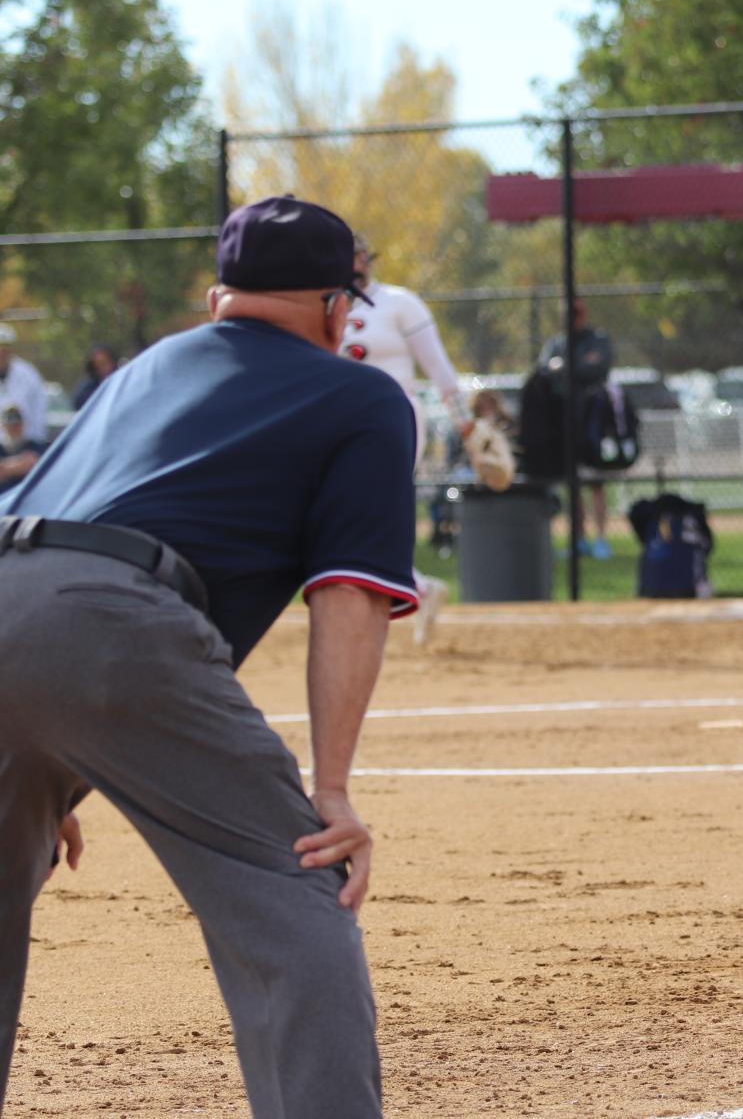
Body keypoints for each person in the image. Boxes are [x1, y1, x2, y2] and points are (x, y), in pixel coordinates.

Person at [0, 195, 418, 1117]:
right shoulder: (359, 394)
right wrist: (334, 791)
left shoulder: (143, 371)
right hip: (107, 626)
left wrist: (45, 760)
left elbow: (42, 534)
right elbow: (348, 593)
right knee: (299, 889)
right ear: (333, 305)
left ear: (218, 294)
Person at [343, 232, 473, 644]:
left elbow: (437, 366)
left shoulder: (399, 302)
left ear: (369, 259)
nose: (353, 264)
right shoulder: (323, 305)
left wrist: (464, 419)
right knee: (352, 514)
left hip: (394, 418)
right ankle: (418, 586)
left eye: (358, 255)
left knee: (371, 509)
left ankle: (409, 587)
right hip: (342, 422)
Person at [539, 300, 616, 558]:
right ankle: (579, 539)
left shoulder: (597, 338)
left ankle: (601, 539)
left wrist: (567, 367)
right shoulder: (557, 343)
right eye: (568, 315)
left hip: (593, 422)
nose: (572, 319)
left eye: (576, 314)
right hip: (565, 421)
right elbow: (544, 369)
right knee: (572, 486)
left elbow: (599, 367)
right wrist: (575, 366)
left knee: (595, 483)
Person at [0, 325, 47, 445]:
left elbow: (38, 411)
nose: (1, 353)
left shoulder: (28, 375)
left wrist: (35, 444)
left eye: (5, 348)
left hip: (25, 446)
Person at [0, 406, 44, 491]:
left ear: (23, 424)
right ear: (2, 425)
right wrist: (19, 463)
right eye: (10, 425)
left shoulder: (34, 446)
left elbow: (34, 465)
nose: (14, 428)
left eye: (17, 424)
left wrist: (6, 467)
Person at [70, 343, 118, 410]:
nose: (105, 368)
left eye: (105, 363)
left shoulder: (121, 381)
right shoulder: (86, 390)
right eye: (99, 364)